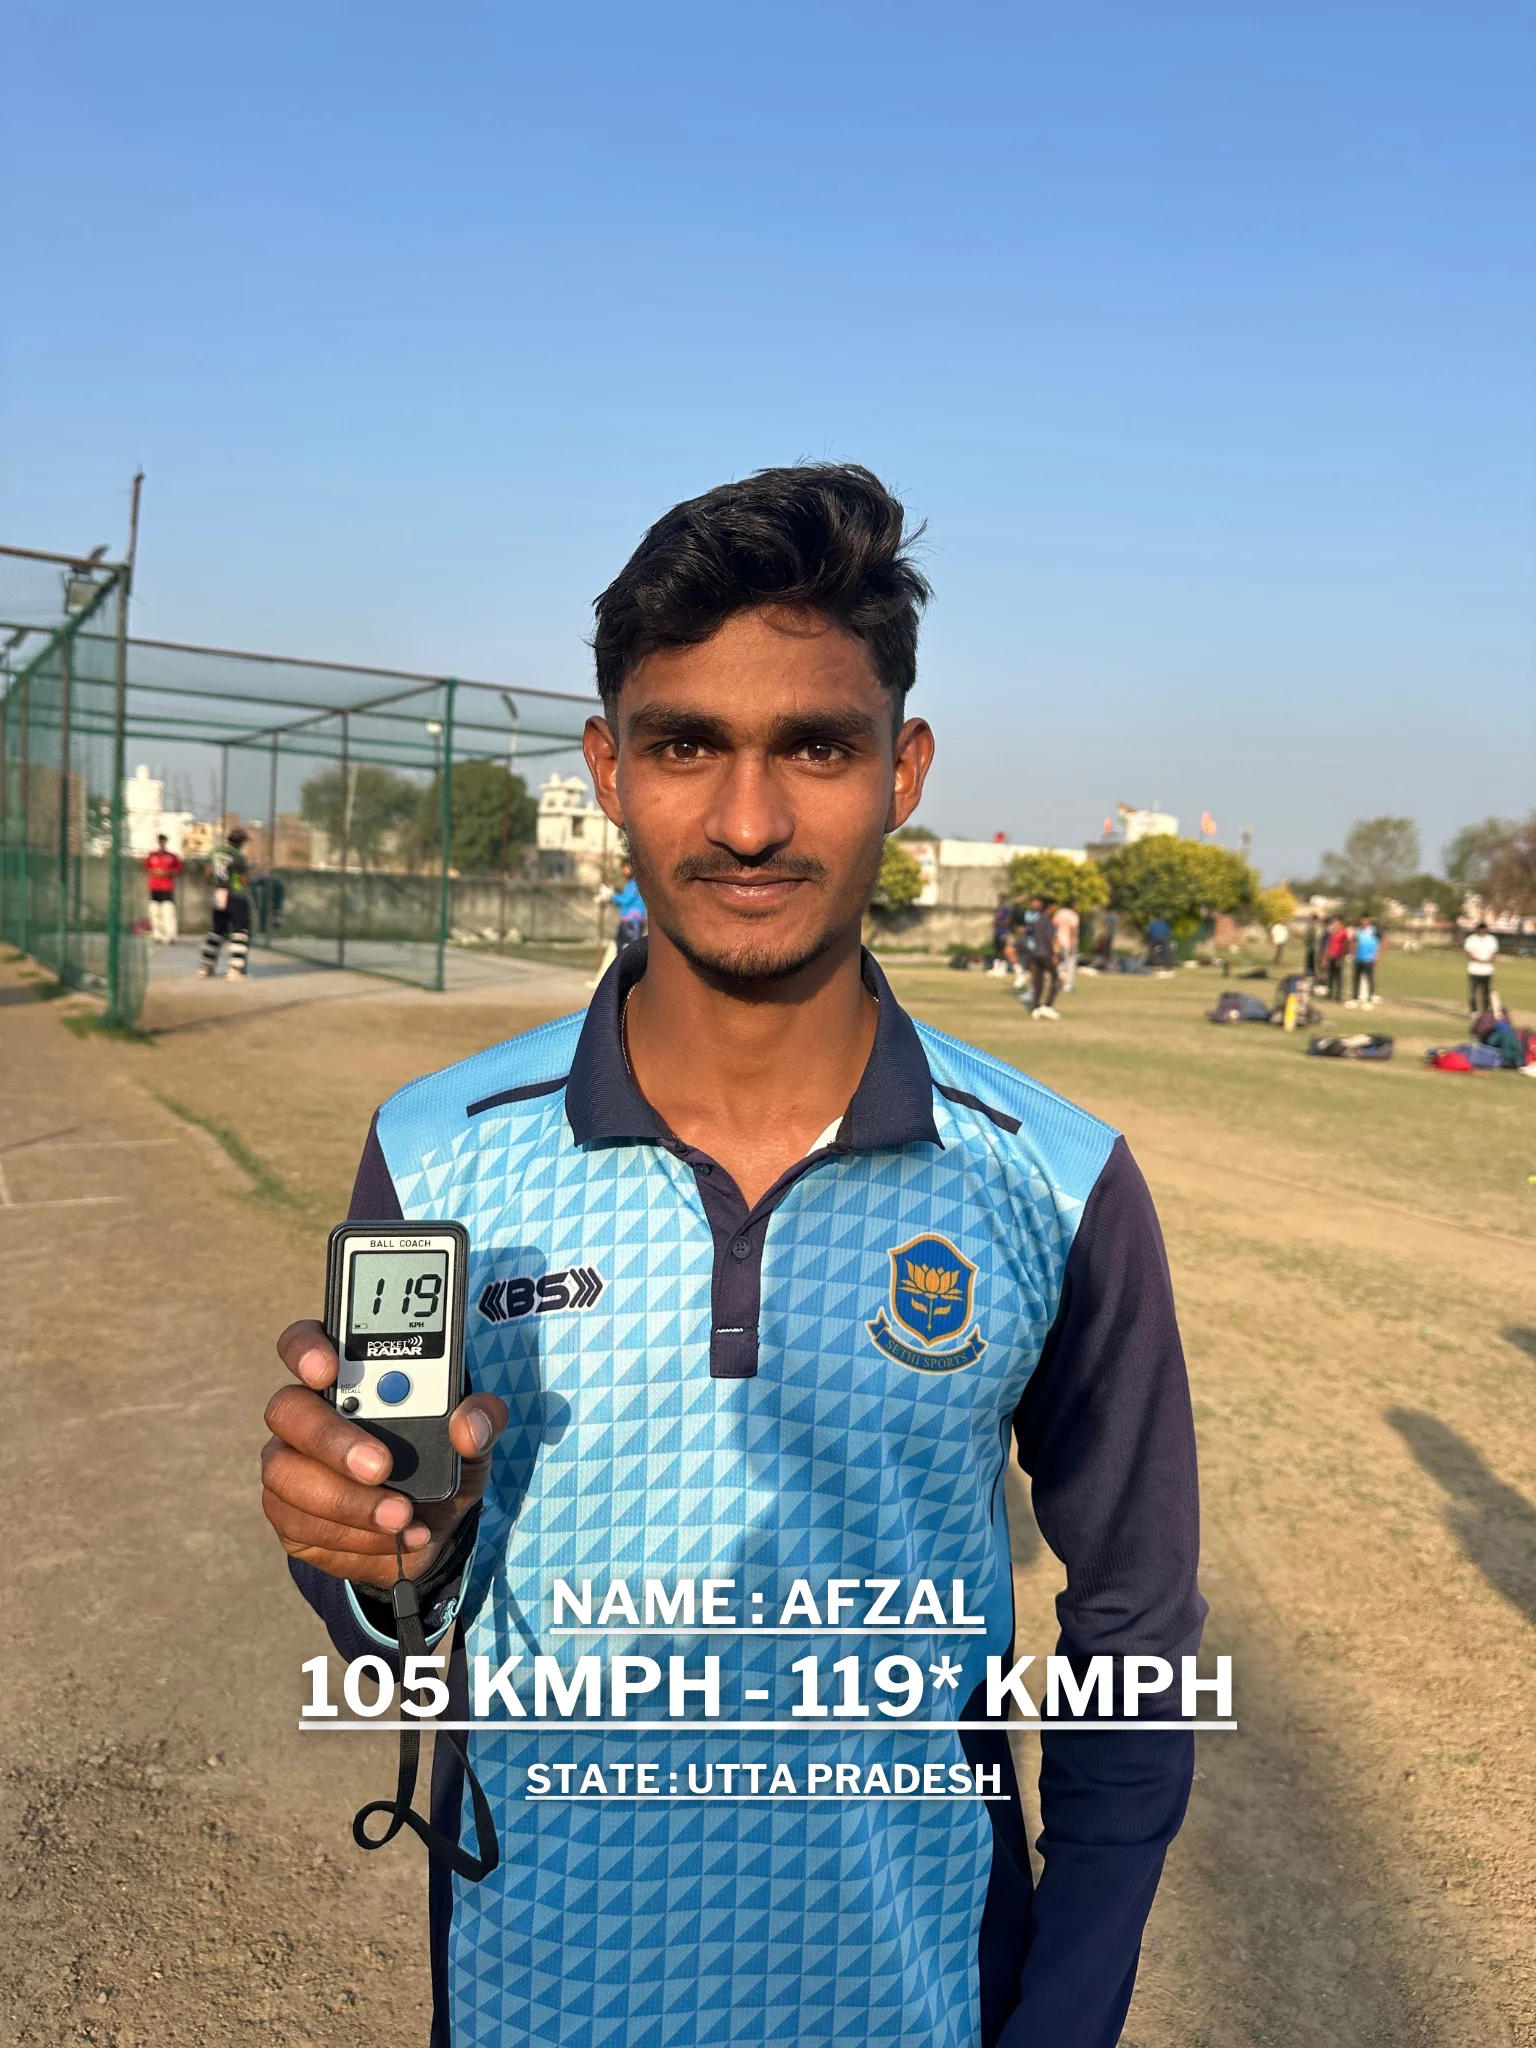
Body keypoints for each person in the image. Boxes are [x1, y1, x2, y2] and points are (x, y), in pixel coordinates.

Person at [261, 465, 1204, 2048]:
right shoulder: (437, 1152)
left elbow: (1139, 1640)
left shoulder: (1052, 1178)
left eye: (815, 748)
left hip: (919, 2001)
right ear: (607, 768)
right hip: (535, 1995)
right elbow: (399, 1630)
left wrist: (1067, 2019)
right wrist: (359, 1557)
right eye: (686, 742)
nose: (750, 819)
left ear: (902, 770)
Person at [197, 826, 252, 979]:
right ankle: (235, 970)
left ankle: (205, 967)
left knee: (217, 930)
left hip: (220, 893)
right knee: (240, 931)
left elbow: (208, 873)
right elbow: (244, 880)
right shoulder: (239, 857)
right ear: (240, 843)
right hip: (236, 895)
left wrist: (216, 883)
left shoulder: (215, 852)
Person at [1022, 893, 1062, 1018]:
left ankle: (1036, 1007)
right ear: (1049, 907)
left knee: (1038, 981)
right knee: (1056, 980)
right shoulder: (1048, 921)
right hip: (1045, 954)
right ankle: (1047, 1005)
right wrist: (1054, 955)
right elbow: (1049, 940)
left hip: (1035, 953)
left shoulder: (1036, 920)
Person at [143, 834, 183, 945]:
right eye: (160, 841)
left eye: (163, 841)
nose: (161, 843)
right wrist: (155, 872)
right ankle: (157, 935)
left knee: (168, 911)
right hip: (154, 887)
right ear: (158, 842)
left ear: (165, 842)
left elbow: (179, 870)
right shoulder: (152, 855)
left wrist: (168, 873)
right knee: (155, 911)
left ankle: (170, 936)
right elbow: (146, 868)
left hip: (167, 887)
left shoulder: (172, 856)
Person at [610, 860, 647, 953]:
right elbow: (622, 902)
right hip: (625, 920)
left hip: (634, 920)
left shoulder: (636, 884)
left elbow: (626, 900)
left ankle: (635, 967)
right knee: (619, 943)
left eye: (627, 868)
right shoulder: (629, 884)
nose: (624, 870)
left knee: (633, 947)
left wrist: (612, 895)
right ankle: (621, 966)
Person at [1464, 918, 1499, 1014]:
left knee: (1486, 993)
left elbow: (1494, 953)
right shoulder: (1471, 939)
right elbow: (1468, 952)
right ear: (1477, 929)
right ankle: (1473, 1012)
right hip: (1474, 970)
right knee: (1473, 993)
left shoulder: (1491, 939)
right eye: (1480, 929)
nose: (1482, 931)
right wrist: (1478, 960)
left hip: (1487, 971)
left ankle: (1485, 1012)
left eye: (1483, 929)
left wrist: (1489, 960)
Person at [1347, 917, 1381, 1007]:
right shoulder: (1358, 930)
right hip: (1358, 958)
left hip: (1369, 959)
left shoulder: (1374, 931)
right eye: (1362, 920)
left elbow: (1385, 941)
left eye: (1366, 920)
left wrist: (1376, 955)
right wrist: (1352, 952)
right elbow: (1353, 942)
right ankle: (1355, 998)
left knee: (1369, 979)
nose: (1364, 922)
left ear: (1369, 921)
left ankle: (1369, 1000)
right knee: (1356, 979)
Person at [1053, 897, 1080, 995]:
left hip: (1058, 941)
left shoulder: (1060, 913)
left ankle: (1058, 974)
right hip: (1068, 942)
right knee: (1071, 963)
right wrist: (1073, 943)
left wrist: (1054, 940)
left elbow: (1054, 925)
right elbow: (1073, 930)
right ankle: (1068, 985)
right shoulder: (1073, 915)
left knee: (1059, 961)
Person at [1323, 917, 1348, 1003]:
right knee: (1330, 976)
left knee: (1339, 977)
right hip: (1331, 957)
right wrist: (1325, 958)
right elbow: (1328, 945)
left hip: (1339, 957)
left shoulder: (1343, 934)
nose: (1335, 926)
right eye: (1334, 924)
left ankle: (1338, 995)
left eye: (1337, 924)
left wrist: (1341, 959)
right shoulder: (1331, 934)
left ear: (1340, 925)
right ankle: (1329, 994)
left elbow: (1345, 947)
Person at [990, 893, 1013, 976]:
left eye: (1000, 899)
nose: (999, 901)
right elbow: (995, 919)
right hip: (997, 931)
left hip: (1003, 932)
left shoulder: (1006, 909)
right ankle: (996, 968)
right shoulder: (997, 909)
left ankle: (1003, 968)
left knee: (1003, 950)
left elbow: (1008, 921)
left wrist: (1000, 923)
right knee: (996, 949)